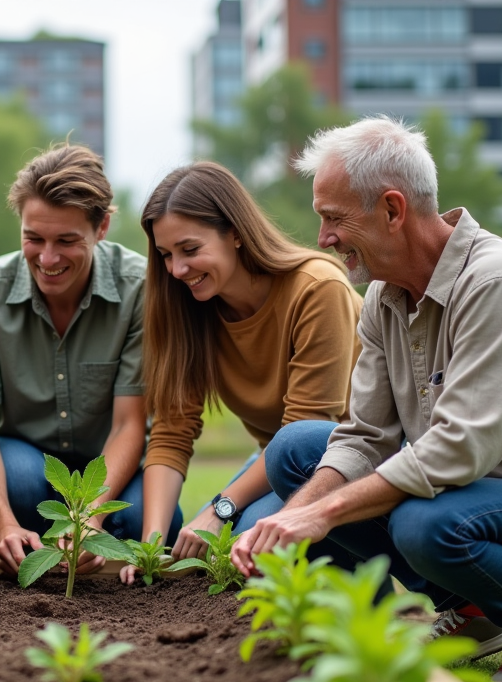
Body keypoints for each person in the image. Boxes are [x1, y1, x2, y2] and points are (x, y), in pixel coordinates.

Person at [233, 116, 502, 682]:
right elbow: (364, 436)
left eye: (333, 218)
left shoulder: (497, 284)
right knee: (297, 453)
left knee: (423, 521)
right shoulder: (382, 297)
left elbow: (462, 446)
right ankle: (471, 614)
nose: (323, 238)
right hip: (467, 496)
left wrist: (321, 514)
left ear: (392, 210)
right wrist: (295, 509)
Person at [127, 162, 362, 585]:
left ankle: (363, 595)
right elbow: (172, 431)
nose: (177, 269)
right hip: (280, 459)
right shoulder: (191, 308)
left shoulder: (316, 289)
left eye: (190, 249)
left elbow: (307, 429)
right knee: (232, 543)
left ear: (235, 232)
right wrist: (152, 548)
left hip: (349, 456)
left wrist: (219, 508)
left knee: (250, 532)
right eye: (165, 255)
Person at [0, 144, 176, 577]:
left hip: (108, 460)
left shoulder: (141, 291)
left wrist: (91, 518)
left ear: (102, 227)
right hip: (23, 458)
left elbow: (131, 423)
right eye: (33, 238)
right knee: (22, 490)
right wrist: (2, 525)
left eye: (67, 241)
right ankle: (32, 546)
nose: (48, 259)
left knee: (144, 521)